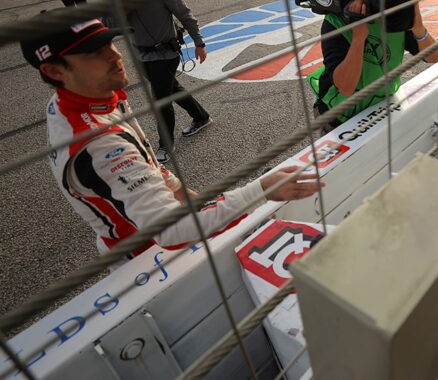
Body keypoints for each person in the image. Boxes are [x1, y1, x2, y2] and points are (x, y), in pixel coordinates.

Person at [21, 20, 322, 261]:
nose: (115, 56)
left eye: (109, 44)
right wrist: (261, 190)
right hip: (147, 257)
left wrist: (183, 192)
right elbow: (173, 231)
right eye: (93, 53)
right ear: (53, 70)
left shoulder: (81, 95)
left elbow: (146, 165)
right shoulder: (99, 145)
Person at [101, 0, 211, 163]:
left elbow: (185, 14)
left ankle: (165, 145)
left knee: (161, 99)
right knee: (172, 88)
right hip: (141, 54)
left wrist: (199, 42)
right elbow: (109, 25)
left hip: (166, 54)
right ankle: (201, 116)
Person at [307, 0, 438, 132]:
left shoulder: (392, 14)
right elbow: (346, 87)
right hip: (340, 115)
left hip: (381, 104)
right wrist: (358, 38)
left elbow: (434, 57)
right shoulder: (336, 21)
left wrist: (418, 28)